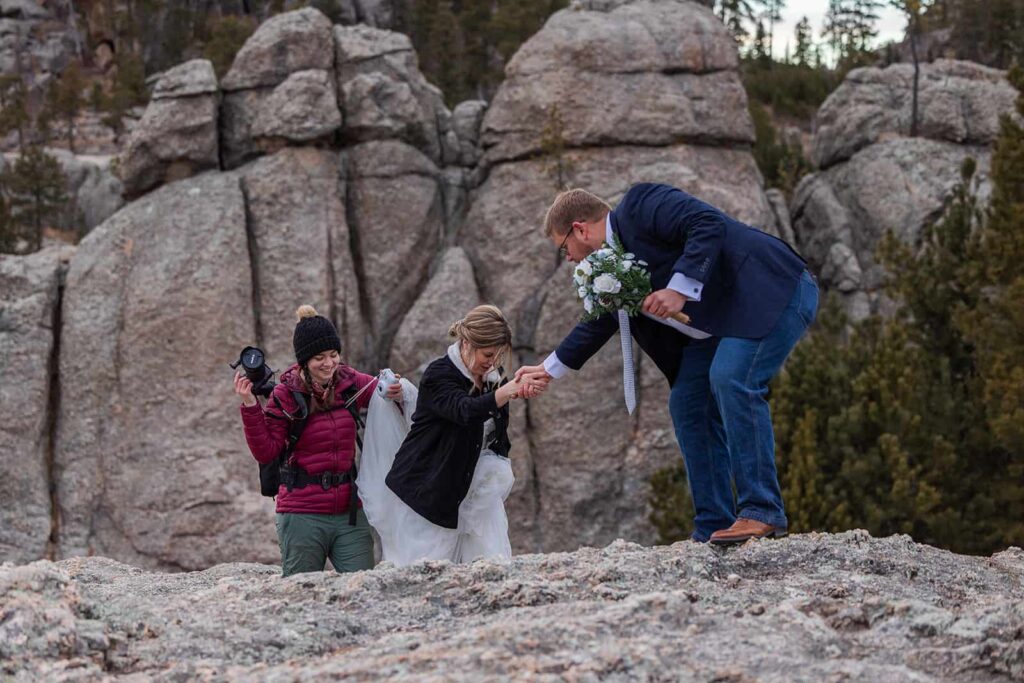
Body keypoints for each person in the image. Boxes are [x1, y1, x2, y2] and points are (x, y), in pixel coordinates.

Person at [517, 184, 819, 545]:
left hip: (773, 290)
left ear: (580, 228)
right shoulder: (607, 266)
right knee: (687, 403)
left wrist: (678, 289)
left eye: (564, 246)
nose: (567, 257)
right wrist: (548, 369)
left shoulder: (642, 204)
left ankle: (761, 509)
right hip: (722, 326)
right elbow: (602, 320)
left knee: (731, 377)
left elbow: (707, 223)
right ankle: (713, 524)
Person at [234, 304, 402, 576]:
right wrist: (250, 406)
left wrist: (396, 388)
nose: (329, 363)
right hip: (301, 514)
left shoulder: (350, 381)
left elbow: (381, 392)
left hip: (349, 512)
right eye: (319, 357)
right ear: (304, 361)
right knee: (300, 596)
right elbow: (266, 452)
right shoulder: (285, 394)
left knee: (365, 592)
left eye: (334, 354)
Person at [358, 305, 531, 565]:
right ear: (466, 344)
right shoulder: (439, 375)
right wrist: (506, 393)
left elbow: (497, 433)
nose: (493, 362)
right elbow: (464, 410)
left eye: (498, 355)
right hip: (426, 495)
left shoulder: (495, 379)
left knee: (487, 568)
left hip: (473, 496)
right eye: (487, 354)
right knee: (422, 570)